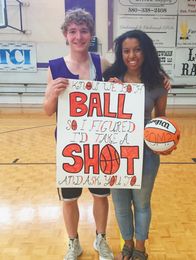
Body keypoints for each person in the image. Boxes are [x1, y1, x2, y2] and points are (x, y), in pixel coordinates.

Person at [43, 8, 113, 260]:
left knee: (101, 195)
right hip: (69, 145)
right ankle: (73, 243)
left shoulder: (101, 63)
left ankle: (101, 239)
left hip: (99, 144)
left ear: (91, 34)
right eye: (73, 31)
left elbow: (125, 87)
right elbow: (48, 111)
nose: (78, 36)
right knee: (69, 199)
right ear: (65, 34)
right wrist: (52, 93)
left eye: (84, 31)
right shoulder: (55, 67)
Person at [103, 30, 172, 260]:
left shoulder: (158, 81)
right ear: (121, 54)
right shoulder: (110, 78)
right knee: (121, 204)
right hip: (114, 151)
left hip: (146, 151)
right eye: (126, 50)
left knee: (141, 203)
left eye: (137, 49)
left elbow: (161, 117)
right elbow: (98, 117)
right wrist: (109, 93)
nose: (132, 55)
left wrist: (164, 141)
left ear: (146, 51)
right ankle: (127, 245)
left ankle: (140, 249)